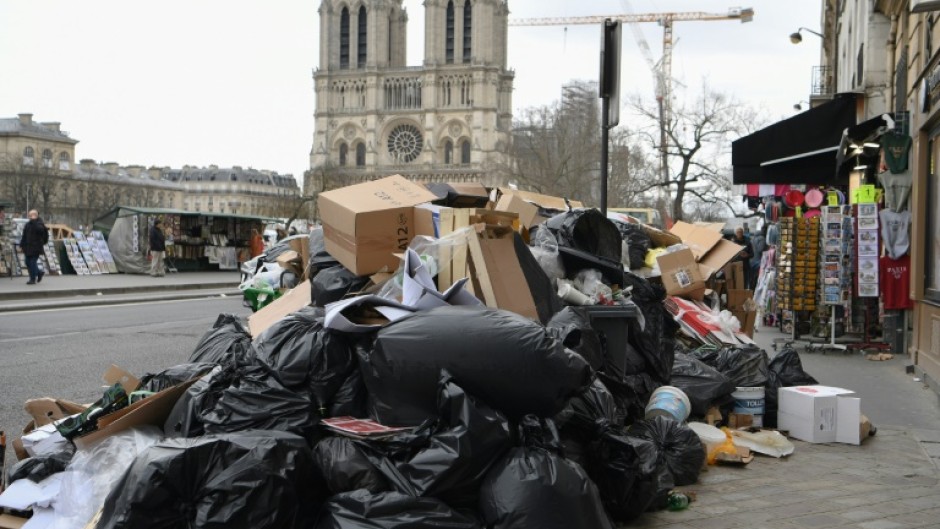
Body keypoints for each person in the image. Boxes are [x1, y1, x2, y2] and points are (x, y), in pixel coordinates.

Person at [19, 209, 48, 285]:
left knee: (32, 262)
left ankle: (32, 279)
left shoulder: (39, 223)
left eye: (31, 215)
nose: (29, 217)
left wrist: (34, 221)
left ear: (35, 215)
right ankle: (39, 272)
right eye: (29, 215)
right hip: (28, 247)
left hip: (36, 247)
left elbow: (40, 231)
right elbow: (24, 236)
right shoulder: (28, 224)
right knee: (27, 262)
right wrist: (21, 245)